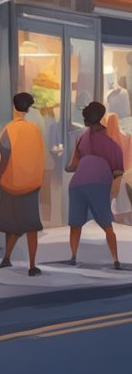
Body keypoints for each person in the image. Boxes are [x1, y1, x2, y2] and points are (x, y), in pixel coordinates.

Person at [66, 102, 124, 269]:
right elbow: (117, 172)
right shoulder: (112, 145)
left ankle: (73, 256)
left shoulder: (81, 139)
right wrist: (113, 193)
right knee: (107, 225)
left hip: (76, 184)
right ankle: (115, 259)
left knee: (75, 224)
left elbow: (72, 165)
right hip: (98, 183)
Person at [0, 93, 45, 275]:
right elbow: (39, 156)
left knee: (10, 222)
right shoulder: (35, 129)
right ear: (29, 108)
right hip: (31, 182)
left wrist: (0, 175)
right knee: (31, 225)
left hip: (11, 182)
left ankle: (6, 258)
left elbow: (4, 153)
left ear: (14, 107)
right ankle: (32, 265)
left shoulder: (9, 129)